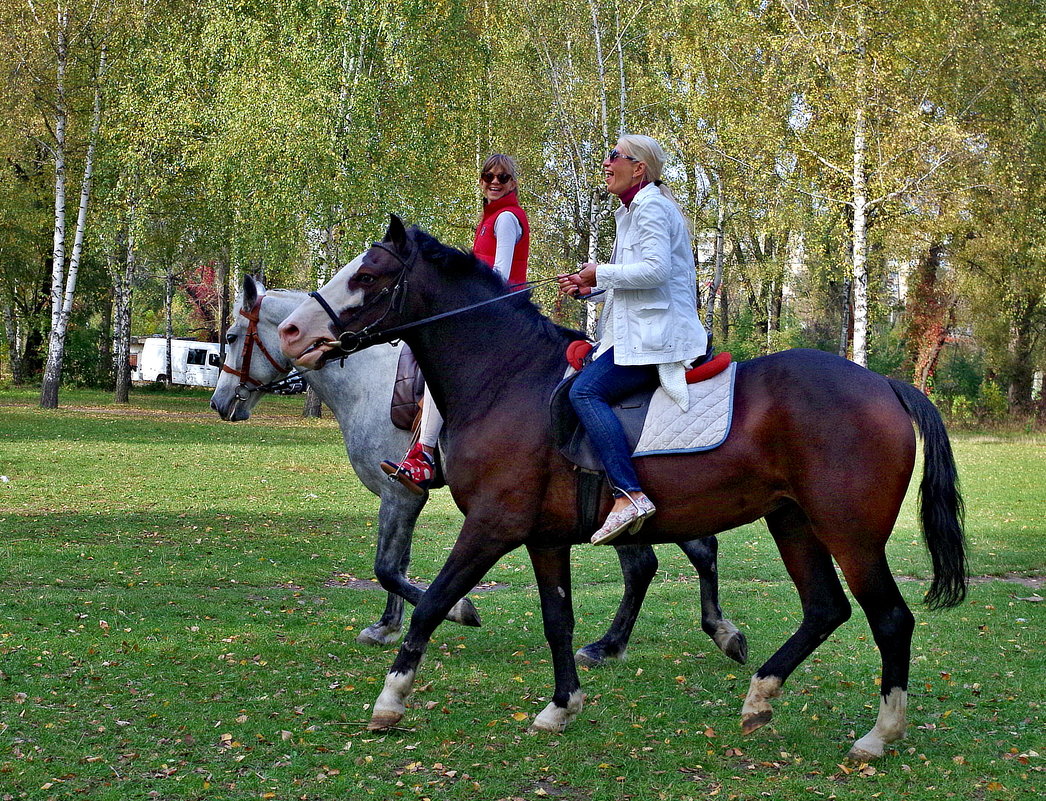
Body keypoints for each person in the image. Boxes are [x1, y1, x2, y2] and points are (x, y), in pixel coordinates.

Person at [557, 135, 707, 545]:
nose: (606, 164)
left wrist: (599, 273)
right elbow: (638, 279)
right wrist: (590, 288)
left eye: (614, 156)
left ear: (638, 168)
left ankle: (629, 493)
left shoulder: (652, 208)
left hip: (656, 339)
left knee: (585, 392)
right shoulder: (634, 211)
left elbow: (655, 272)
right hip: (639, 333)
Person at [381, 154, 530, 493]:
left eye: (503, 177)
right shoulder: (489, 218)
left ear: (513, 183)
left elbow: (500, 277)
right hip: (490, 314)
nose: (494, 181)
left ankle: (425, 455)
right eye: (487, 175)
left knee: (442, 368)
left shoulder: (506, 218)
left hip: (498, 317)